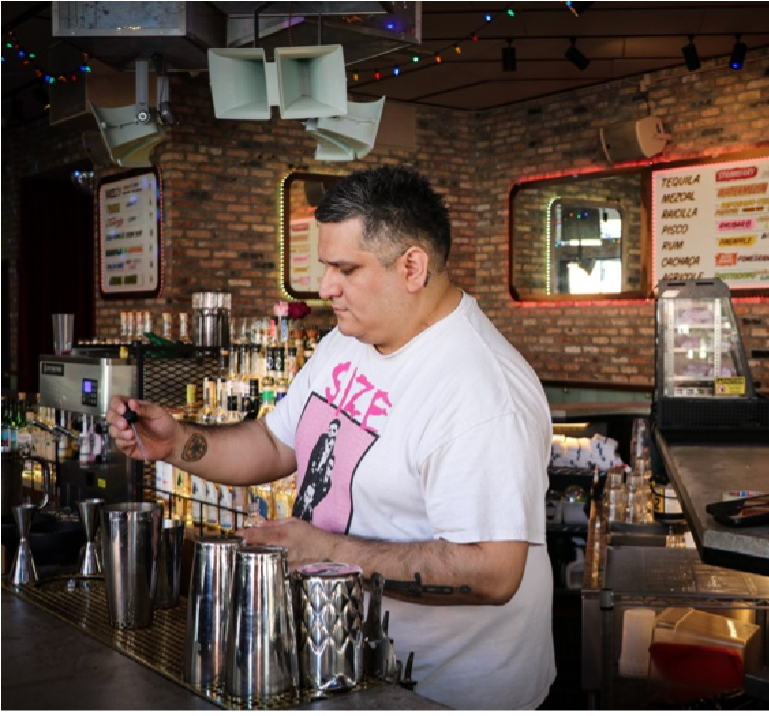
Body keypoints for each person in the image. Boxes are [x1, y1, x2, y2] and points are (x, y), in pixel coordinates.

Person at [106, 165, 555, 711]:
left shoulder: (481, 390)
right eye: (325, 267)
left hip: (448, 694)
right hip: (349, 668)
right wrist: (176, 442)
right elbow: (276, 444)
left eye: (345, 269)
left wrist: (328, 553)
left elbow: (493, 572)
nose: (325, 288)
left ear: (412, 266)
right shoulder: (349, 340)